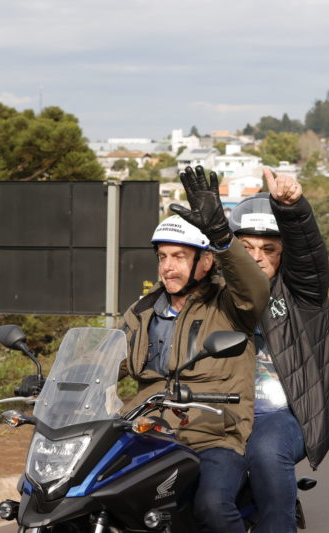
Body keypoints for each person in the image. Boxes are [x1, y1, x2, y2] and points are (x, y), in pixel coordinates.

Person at [119, 165, 269, 533]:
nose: (168, 267)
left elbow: (256, 290)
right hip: (149, 430)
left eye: (179, 257)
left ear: (205, 261)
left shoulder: (229, 306)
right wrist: (63, 381)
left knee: (213, 506)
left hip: (214, 434)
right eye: (163, 257)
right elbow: (107, 357)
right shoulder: (142, 310)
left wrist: (221, 235)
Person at [229, 170, 329, 533]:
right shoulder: (219, 295)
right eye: (247, 249)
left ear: (283, 254)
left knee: (267, 449)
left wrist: (292, 209)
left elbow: (309, 257)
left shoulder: (302, 291)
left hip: (290, 412)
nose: (257, 258)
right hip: (223, 411)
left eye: (269, 250)